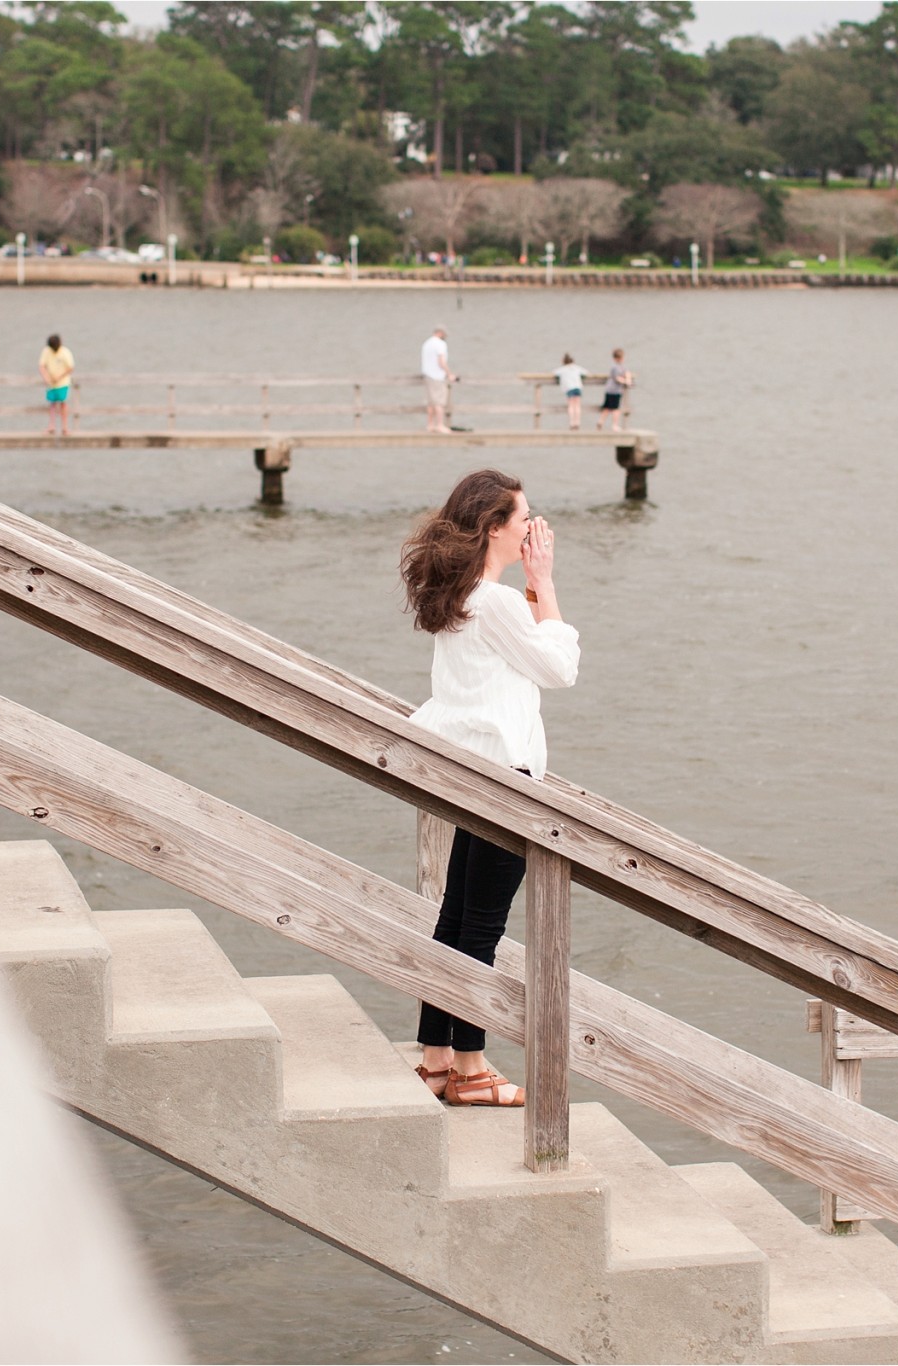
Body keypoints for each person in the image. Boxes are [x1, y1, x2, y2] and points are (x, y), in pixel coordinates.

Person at [400, 469, 580, 1108]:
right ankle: (472, 1067)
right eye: (524, 518)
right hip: (505, 777)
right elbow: (560, 669)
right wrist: (546, 583)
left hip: (470, 772)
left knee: (455, 915)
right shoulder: (496, 600)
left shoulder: (460, 598)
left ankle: (436, 1058)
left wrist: (528, 593)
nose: (533, 528)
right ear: (494, 528)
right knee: (481, 923)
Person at [421, 325, 455, 432]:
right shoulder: (440, 344)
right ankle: (440, 425)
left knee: (431, 402)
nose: (445, 337)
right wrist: (450, 374)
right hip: (437, 376)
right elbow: (441, 362)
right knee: (439, 402)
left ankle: (430, 425)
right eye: (444, 335)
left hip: (427, 375)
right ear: (440, 333)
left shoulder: (427, 343)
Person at [40, 333, 74, 435]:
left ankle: (64, 427)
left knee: (63, 404)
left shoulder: (65, 352)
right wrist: (46, 378)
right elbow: (41, 366)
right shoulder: (46, 351)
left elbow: (70, 368)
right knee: (52, 405)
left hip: (62, 383)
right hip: (51, 384)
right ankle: (51, 426)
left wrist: (58, 378)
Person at [596, 348, 635, 432]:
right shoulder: (616, 368)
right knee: (616, 409)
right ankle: (614, 425)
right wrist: (626, 382)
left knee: (606, 407)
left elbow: (627, 372)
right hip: (615, 391)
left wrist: (628, 379)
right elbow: (617, 378)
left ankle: (600, 422)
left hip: (609, 390)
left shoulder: (620, 367)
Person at [552, 352, 585, 430]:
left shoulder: (563, 369)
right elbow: (585, 372)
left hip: (569, 388)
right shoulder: (576, 368)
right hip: (577, 387)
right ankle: (577, 422)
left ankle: (572, 422)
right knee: (577, 406)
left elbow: (554, 372)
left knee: (571, 406)